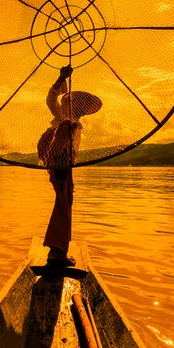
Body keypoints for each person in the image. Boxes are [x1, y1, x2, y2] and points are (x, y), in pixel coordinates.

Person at [38, 65, 102, 266]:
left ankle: (58, 248)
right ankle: (56, 253)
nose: (80, 109)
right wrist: (61, 77)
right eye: (78, 105)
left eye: (82, 107)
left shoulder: (76, 123)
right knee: (63, 204)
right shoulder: (61, 115)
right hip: (59, 164)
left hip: (66, 165)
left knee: (66, 202)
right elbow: (50, 98)